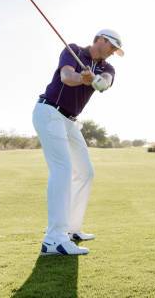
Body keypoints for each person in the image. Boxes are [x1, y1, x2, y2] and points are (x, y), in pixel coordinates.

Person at [32, 29, 123, 255]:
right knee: (62, 170)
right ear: (100, 40)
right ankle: (53, 239)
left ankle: (71, 229)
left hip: (70, 121)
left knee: (86, 172)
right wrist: (82, 77)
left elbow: (104, 85)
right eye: (111, 47)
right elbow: (66, 77)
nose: (112, 53)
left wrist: (93, 79)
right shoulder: (74, 51)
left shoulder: (106, 67)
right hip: (50, 112)